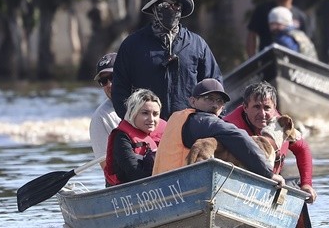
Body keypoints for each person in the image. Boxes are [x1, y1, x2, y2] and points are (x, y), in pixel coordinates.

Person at [112, 0, 222, 121]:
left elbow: (214, 86)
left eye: (176, 5)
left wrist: (207, 121)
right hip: (147, 129)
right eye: (165, 5)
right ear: (154, 8)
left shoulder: (197, 44)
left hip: (189, 127)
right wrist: (133, 121)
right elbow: (119, 89)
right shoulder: (132, 45)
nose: (172, 9)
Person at [152, 78, 285, 186]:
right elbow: (238, 136)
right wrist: (269, 173)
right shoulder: (202, 120)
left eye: (220, 101)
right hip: (181, 189)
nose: (215, 105)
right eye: (208, 98)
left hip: (159, 191)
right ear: (193, 101)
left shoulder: (175, 118)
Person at [223, 81, 317, 204]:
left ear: (274, 108)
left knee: (298, 188)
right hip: (236, 185)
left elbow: (302, 149)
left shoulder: (283, 125)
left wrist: (307, 184)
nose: (262, 114)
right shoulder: (229, 126)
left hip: (273, 183)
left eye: (267, 108)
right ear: (245, 107)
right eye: (256, 107)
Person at [103, 88, 166, 186]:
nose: (151, 119)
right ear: (133, 113)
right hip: (128, 191)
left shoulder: (164, 134)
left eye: (155, 114)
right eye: (145, 113)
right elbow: (133, 172)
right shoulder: (121, 138)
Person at [246, 0, 312, 57]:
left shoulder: (300, 16)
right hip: (268, 63)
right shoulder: (263, 10)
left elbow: (306, 43)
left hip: (294, 65)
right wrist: (253, 60)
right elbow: (252, 35)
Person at [89, 52, 121, 169]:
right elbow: (107, 167)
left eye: (113, 77)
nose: (109, 84)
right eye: (103, 81)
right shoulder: (100, 118)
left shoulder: (149, 104)